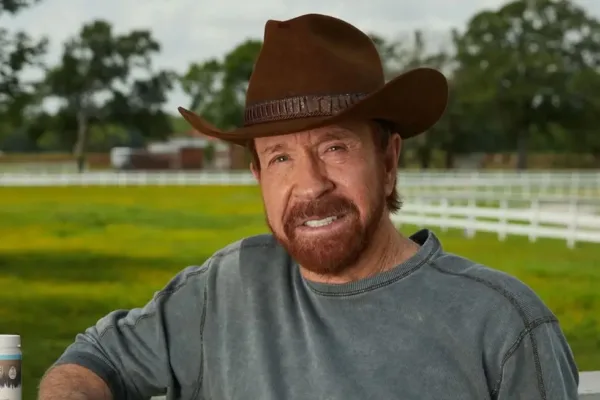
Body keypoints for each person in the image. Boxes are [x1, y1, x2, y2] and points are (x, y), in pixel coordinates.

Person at [38, 13, 579, 400]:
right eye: (280, 158)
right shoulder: (224, 290)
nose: (310, 184)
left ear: (388, 159)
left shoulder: (502, 325)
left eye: (335, 147)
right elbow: (94, 361)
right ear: (257, 175)